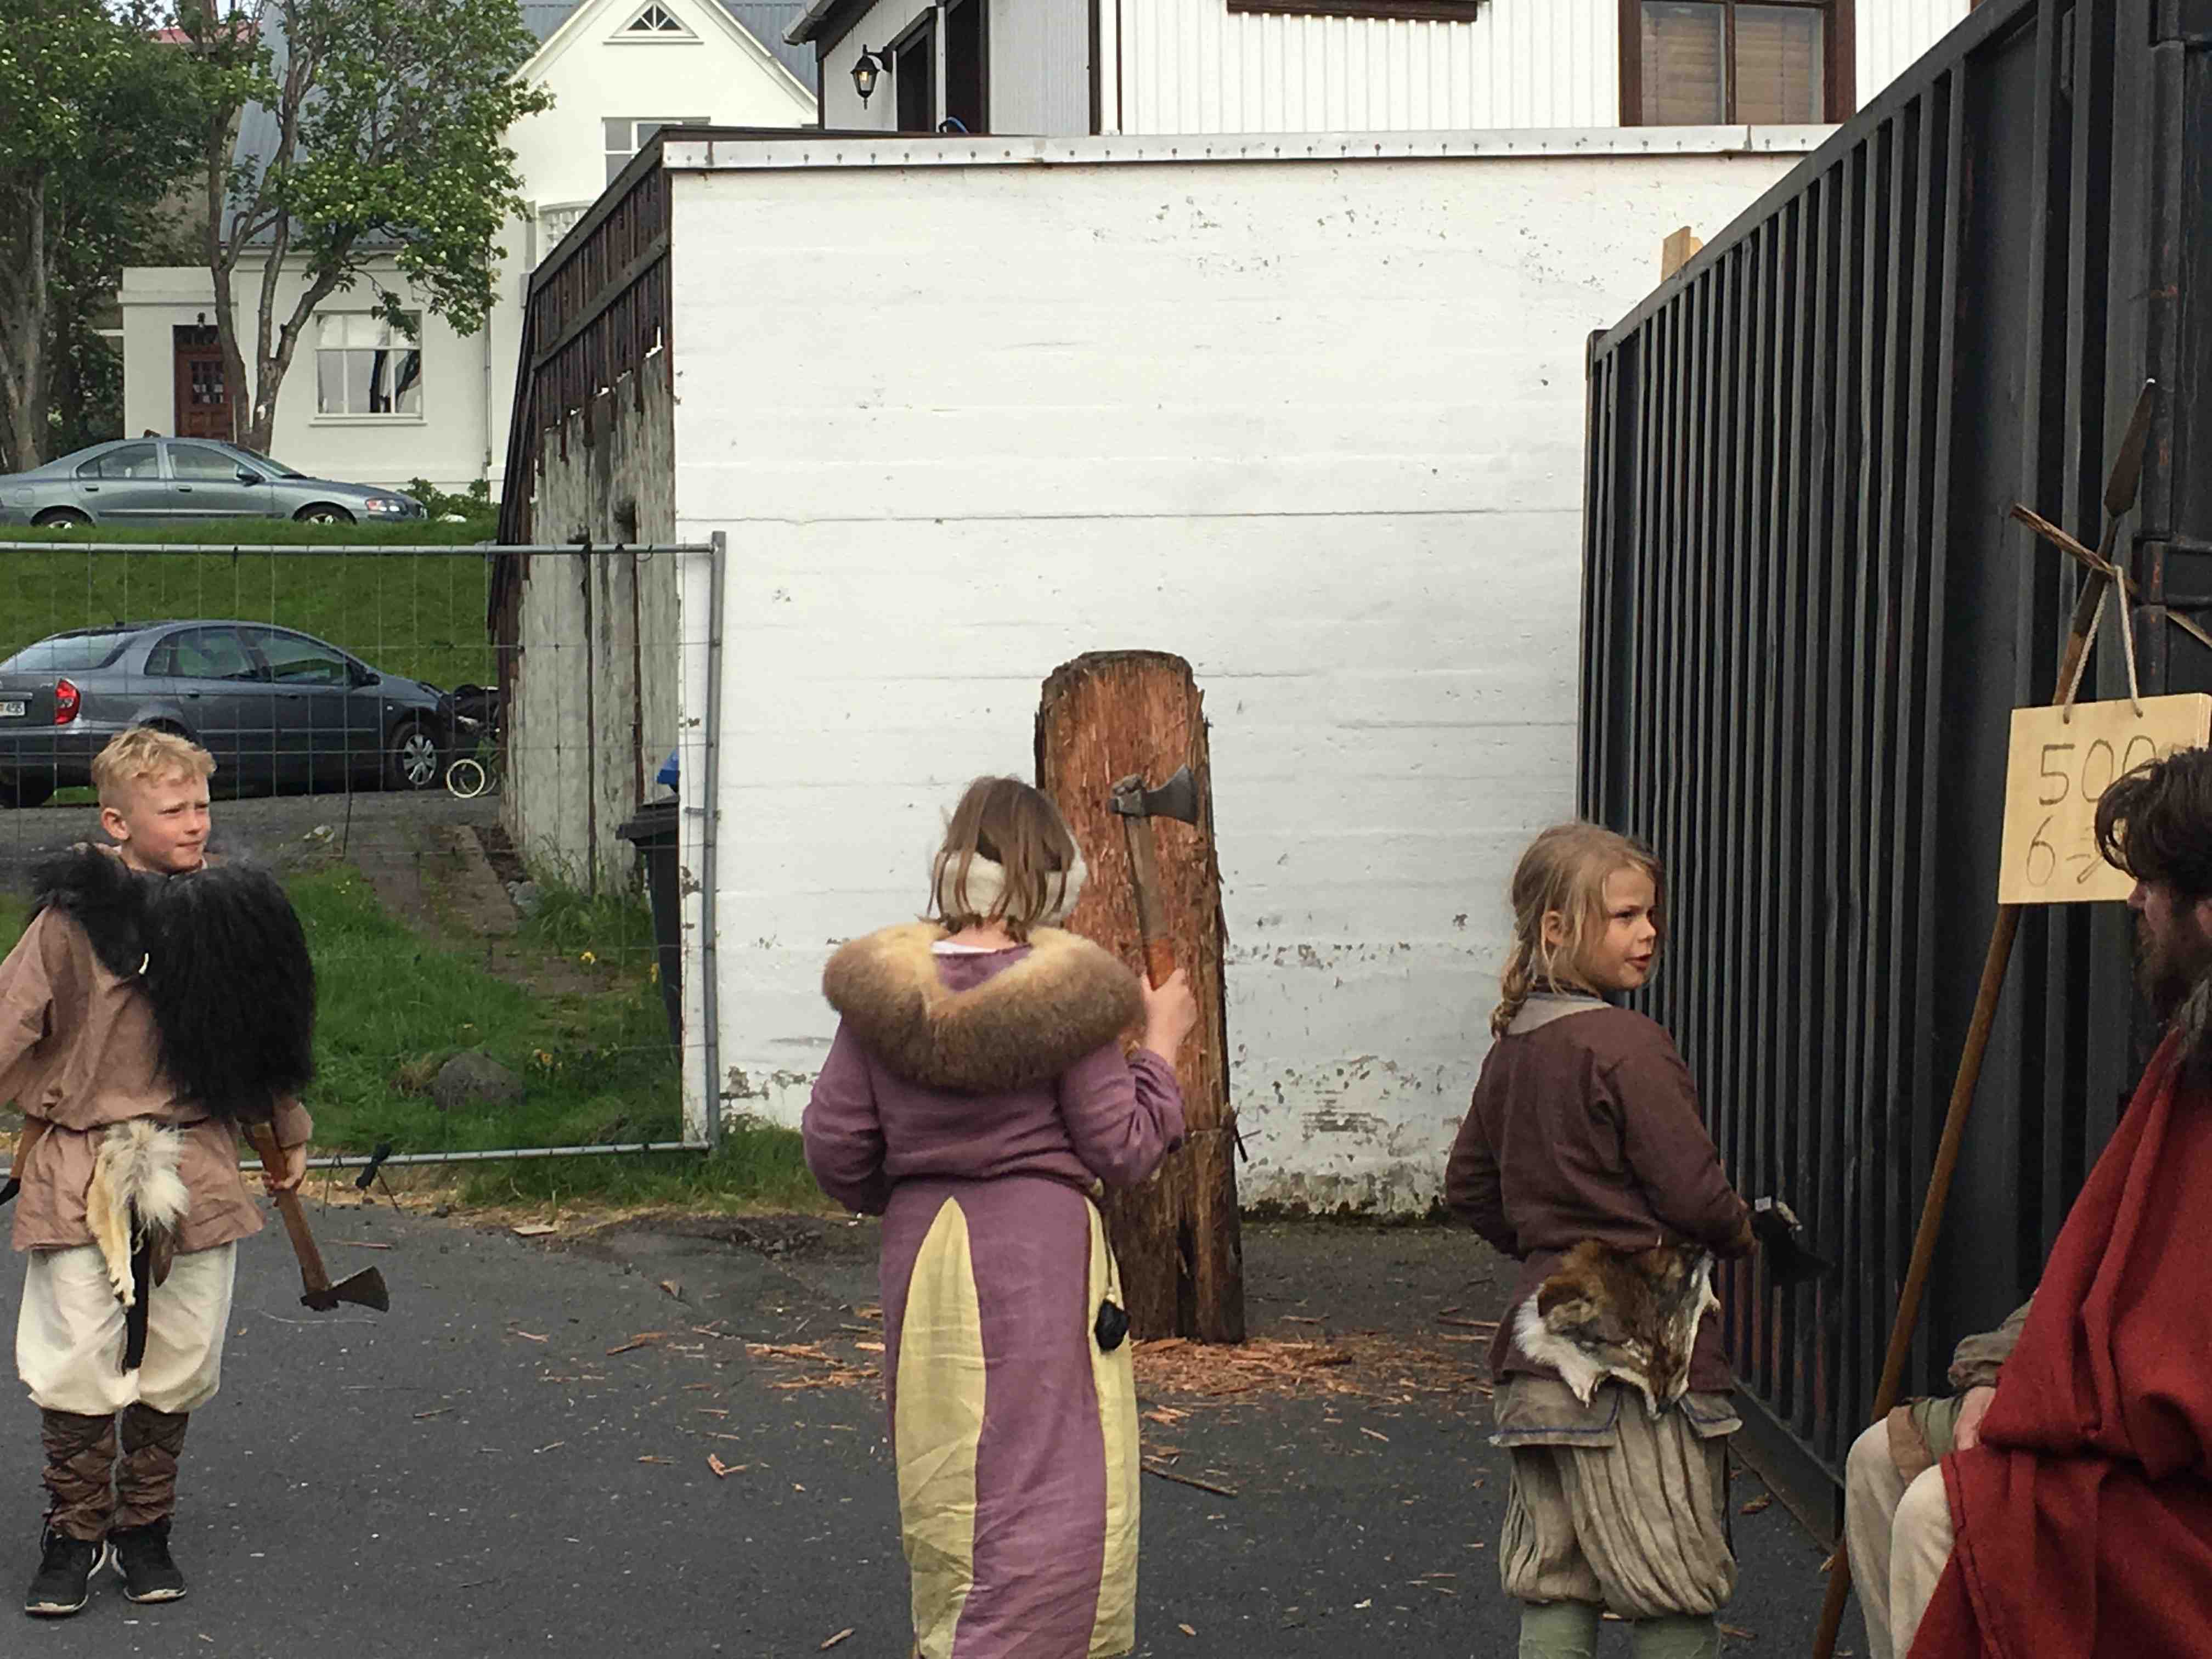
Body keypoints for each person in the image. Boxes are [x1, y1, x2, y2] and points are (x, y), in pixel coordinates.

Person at [803, 776, 1195, 1659]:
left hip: (924, 1253)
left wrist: (914, 1188)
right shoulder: (1067, 991)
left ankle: (955, 1638)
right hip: (1038, 1260)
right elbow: (1123, 1145)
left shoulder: (886, 990)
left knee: (946, 1473)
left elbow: (835, 1149)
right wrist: (1162, 1045)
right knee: (1052, 1478)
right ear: (1052, 876)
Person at [1861, 747, 2212, 1658]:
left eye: (2151, 884)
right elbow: (2102, 1264)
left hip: (2174, 1487)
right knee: (1881, 1459)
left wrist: (2038, 1414)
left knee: (1943, 1515)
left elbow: (2179, 1373)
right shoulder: (2185, 1057)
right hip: (2112, 1430)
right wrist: (1999, 1373)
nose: (2134, 902)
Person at [0, 727, 316, 1617]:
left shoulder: (233, 911)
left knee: (181, 1353)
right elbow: (8, 1018)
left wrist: (285, 1131)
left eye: (201, 806)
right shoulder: (69, 923)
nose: (195, 823)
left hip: (197, 1155)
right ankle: (75, 1533)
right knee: (75, 1354)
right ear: (116, 822)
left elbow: (260, 1042)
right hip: (83, 1161)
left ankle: (144, 1526)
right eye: (172, 810)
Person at [1444, 822, 1755, 1659]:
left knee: (1556, 1578)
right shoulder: (1628, 1046)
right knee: (1675, 1582)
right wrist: (1742, 1230)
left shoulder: (1514, 1049)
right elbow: (1694, 1194)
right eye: (1624, 916)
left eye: (1650, 914)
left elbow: (1467, 1187)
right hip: (1639, 1363)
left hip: (1539, 1360)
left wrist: (1546, 1247)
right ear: (1556, 928)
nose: (1648, 931)